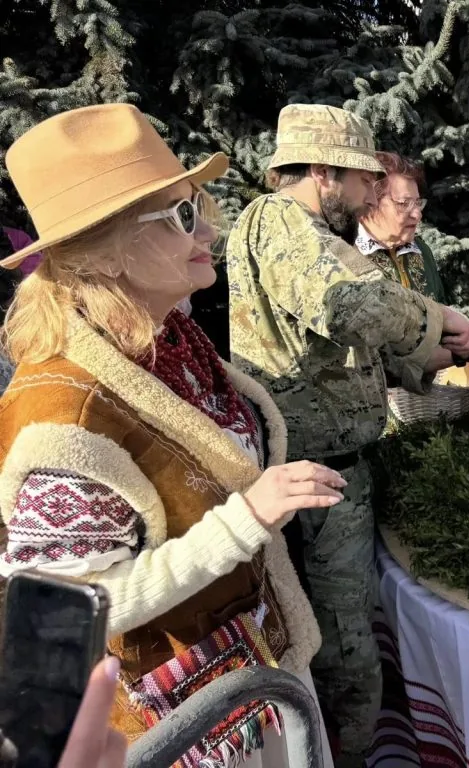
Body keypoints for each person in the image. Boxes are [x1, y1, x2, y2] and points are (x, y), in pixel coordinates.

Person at [0, 103, 335, 765]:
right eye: (182, 216)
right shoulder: (64, 419)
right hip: (187, 729)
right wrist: (245, 519)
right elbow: (75, 610)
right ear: (105, 253)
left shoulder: (162, 336)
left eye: (199, 201)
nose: (209, 227)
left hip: (252, 679)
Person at [226, 104, 469, 766]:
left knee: (337, 645)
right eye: (364, 182)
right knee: (345, 656)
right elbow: (348, 304)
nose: (371, 197)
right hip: (320, 477)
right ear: (325, 172)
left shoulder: (296, 234)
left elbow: (337, 349)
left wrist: (441, 353)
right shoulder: (279, 223)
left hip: (330, 469)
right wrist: (439, 314)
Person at [355, 151, 449, 304]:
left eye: (418, 203)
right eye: (404, 204)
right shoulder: (345, 255)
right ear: (371, 202)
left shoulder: (421, 250)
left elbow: (442, 313)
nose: (417, 215)